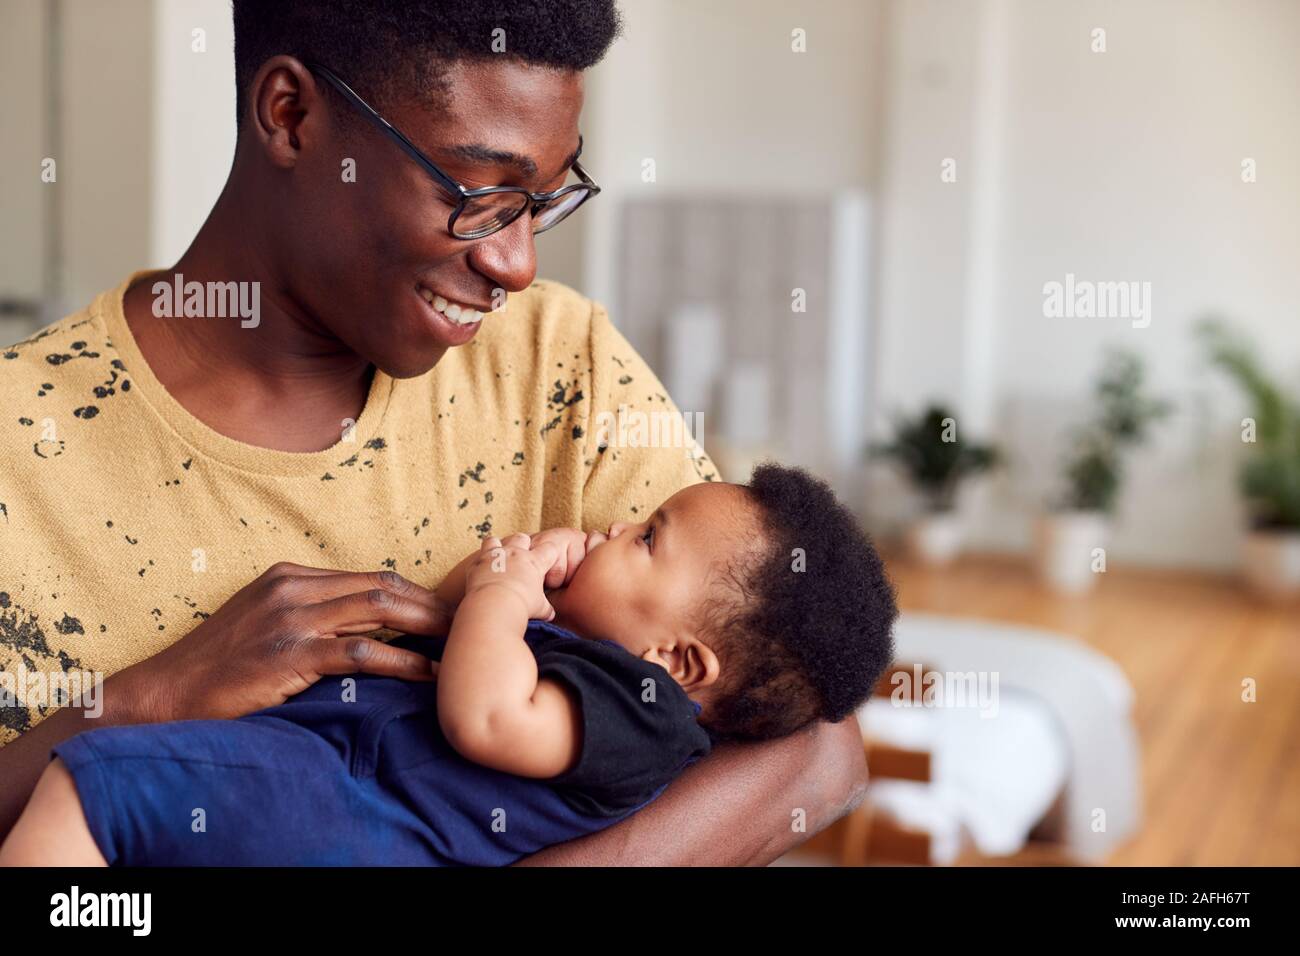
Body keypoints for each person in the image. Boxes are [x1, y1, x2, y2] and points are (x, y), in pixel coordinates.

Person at [0, 0, 870, 863]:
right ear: (290, 115)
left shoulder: (554, 366)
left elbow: (809, 743)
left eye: (543, 199)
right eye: (482, 193)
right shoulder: (20, 445)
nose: (517, 263)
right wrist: (145, 700)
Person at [0, 465, 896, 866]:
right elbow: (461, 641)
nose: (620, 526)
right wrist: (493, 583)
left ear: (678, 660)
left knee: (93, 782)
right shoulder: (594, 661)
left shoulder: (644, 717)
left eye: (649, 537)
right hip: (327, 789)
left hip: (354, 810)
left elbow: (487, 718)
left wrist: (505, 597)